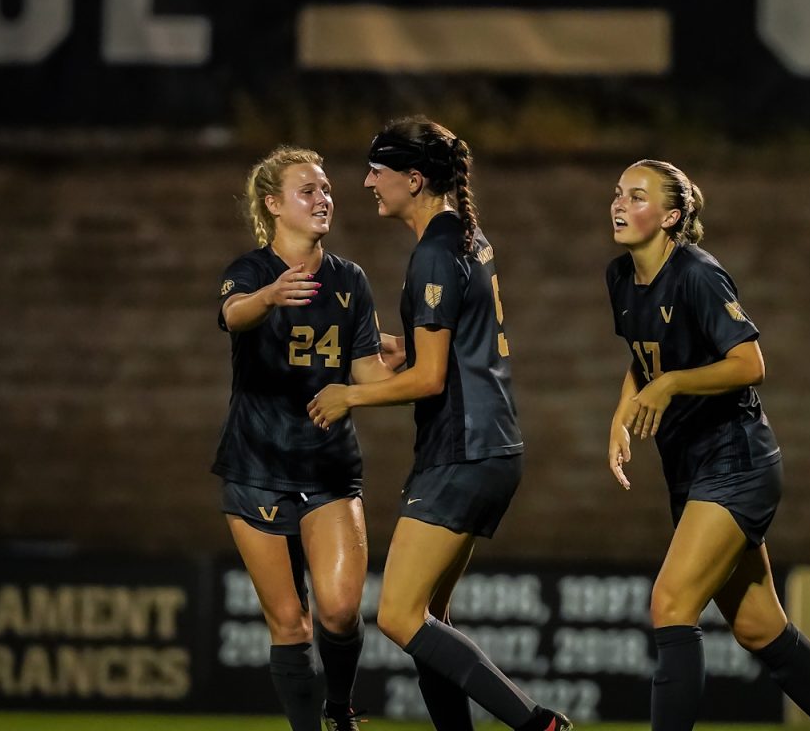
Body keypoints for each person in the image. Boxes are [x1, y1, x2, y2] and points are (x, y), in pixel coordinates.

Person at [307, 117, 572, 731]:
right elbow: (453, 348)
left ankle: (539, 725)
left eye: (379, 169)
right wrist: (398, 346)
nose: (368, 181)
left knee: (399, 617)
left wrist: (348, 396)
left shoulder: (432, 252)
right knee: (429, 618)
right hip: (490, 445)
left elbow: (430, 381)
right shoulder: (466, 238)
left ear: (414, 178)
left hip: (464, 448)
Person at [605, 159, 810, 731]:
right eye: (619, 193)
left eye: (638, 197)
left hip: (737, 462)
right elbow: (644, 356)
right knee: (759, 628)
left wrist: (670, 384)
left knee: (671, 604)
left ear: (672, 217)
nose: (620, 204)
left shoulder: (698, 274)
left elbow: (750, 363)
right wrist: (623, 413)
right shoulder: (620, 277)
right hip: (692, 469)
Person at [215, 146, 392, 731]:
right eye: (308, 190)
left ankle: (339, 708)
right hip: (256, 467)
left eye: (326, 189)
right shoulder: (251, 272)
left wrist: (425, 370)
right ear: (273, 204)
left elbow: (366, 375)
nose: (324, 199)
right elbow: (233, 314)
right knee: (290, 622)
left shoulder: (350, 280)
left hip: (329, 468)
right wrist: (268, 297)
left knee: (340, 611)